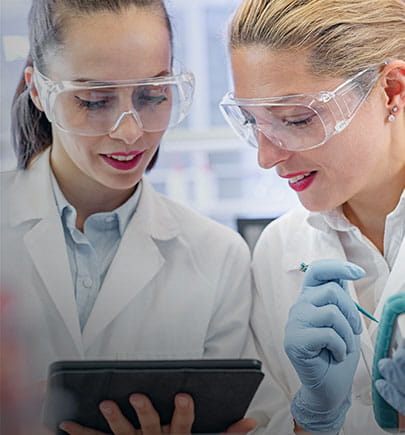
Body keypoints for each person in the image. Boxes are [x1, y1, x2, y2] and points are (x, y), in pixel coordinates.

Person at [0, 0, 258, 433]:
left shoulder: (219, 257)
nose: (130, 131)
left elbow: (248, 421)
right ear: (40, 92)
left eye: (152, 95)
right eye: (93, 100)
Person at [219, 0, 405, 433]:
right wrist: (313, 417)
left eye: (297, 119)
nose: (267, 157)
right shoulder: (279, 249)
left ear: (391, 90)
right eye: (255, 123)